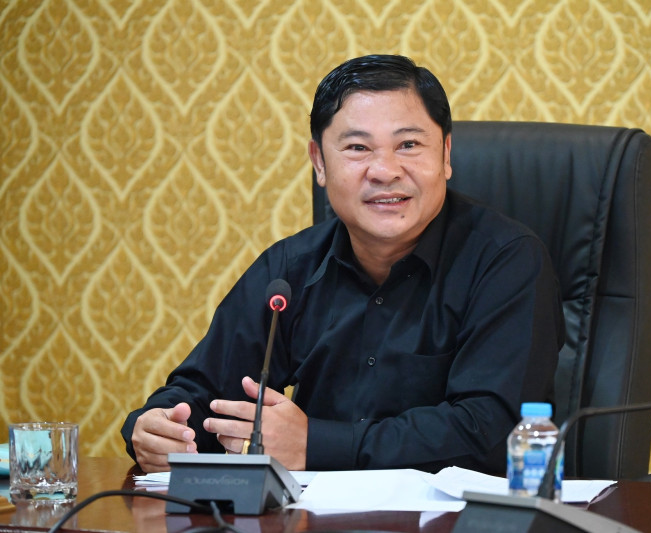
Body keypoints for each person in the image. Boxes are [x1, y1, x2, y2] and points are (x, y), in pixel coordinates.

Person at [121, 54, 564, 475]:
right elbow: (205, 392)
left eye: (409, 144)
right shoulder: (289, 270)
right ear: (319, 162)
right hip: (312, 515)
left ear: (446, 155)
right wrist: (157, 427)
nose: (385, 170)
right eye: (357, 147)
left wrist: (314, 444)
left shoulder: (505, 260)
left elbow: (494, 431)